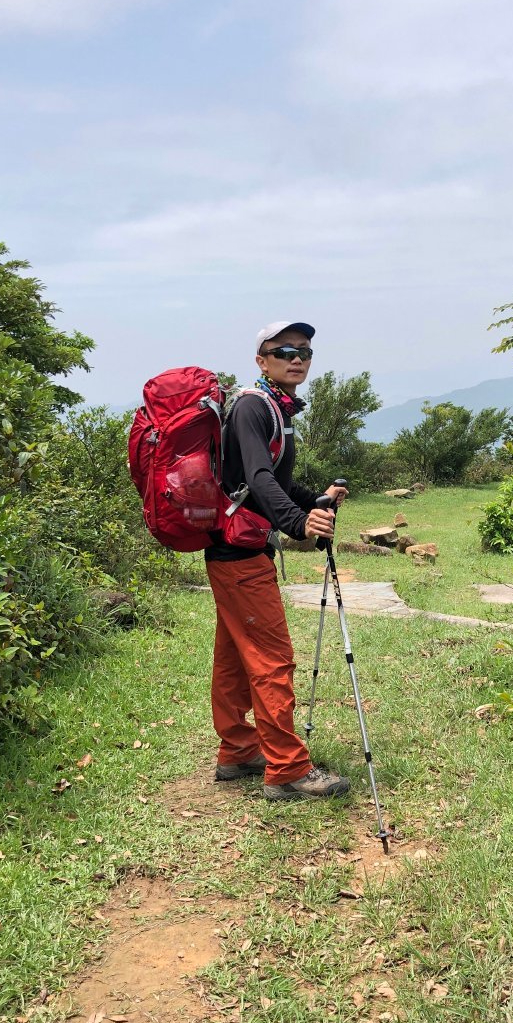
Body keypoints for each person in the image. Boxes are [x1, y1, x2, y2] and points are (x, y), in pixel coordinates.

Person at [204, 320, 351, 801]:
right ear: (261, 360)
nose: (297, 358)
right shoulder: (252, 406)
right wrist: (298, 523)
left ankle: (239, 750)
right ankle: (287, 769)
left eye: (305, 351)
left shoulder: (275, 408)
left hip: (236, 552)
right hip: (240, 556)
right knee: (271, 659)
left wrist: (315, 500)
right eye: (284, 350)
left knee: (232, 656)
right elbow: (260, 477)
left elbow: (275, 484)